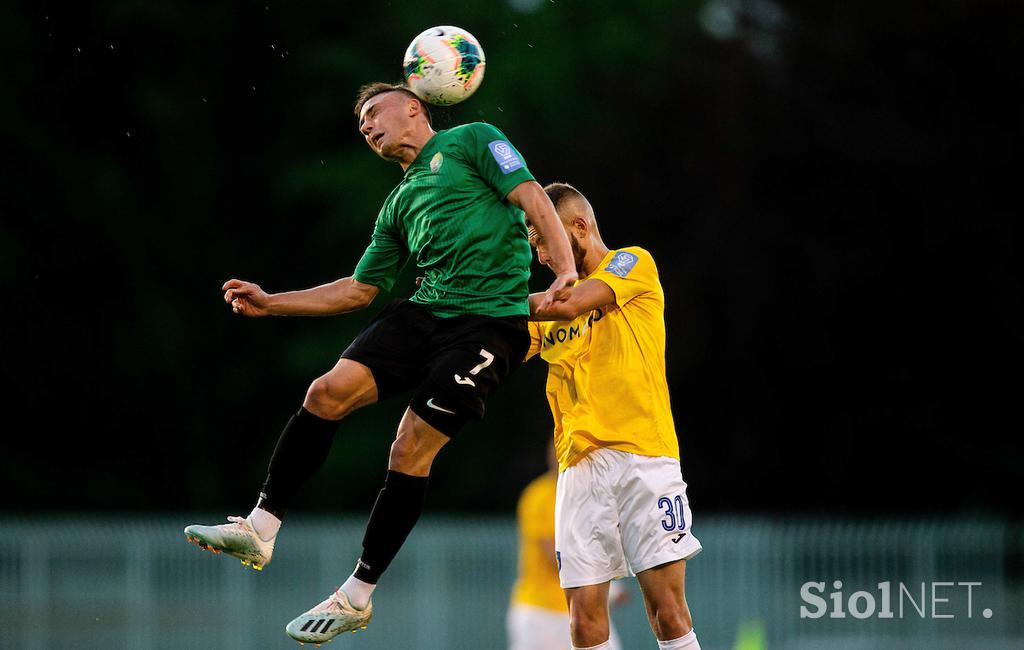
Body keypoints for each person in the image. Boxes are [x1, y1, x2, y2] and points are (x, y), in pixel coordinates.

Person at [182, 82, 576, 645]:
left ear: (414, 105)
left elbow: (534, 197)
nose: (365, 126)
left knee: (409, 445)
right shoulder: (398, 202)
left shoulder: (474, 140)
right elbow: (357, 291)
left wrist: (563, 269)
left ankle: (357, 595)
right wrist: (272, 303)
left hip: (489, 324)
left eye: (373, 112)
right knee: (324, 392)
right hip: (424, 313)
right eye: (361, 122)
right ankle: (261, 528)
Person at [526, 182, 703, 650]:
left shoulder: (631, 263)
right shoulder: (546, 310)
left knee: (668, 612)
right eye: (535, 239)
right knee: (583, 624)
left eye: (545, 236)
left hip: (643, 457)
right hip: (579, 469)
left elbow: (568, 304)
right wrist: (459, 300)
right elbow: (498, 334)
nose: (541, 253)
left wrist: (493, 301)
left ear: (580, 227)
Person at [508, 440, 625, 650]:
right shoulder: (538, 496)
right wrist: (610, 588)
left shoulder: (589, 494)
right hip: (543, 613)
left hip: (582, 608)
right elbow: (555, 558)